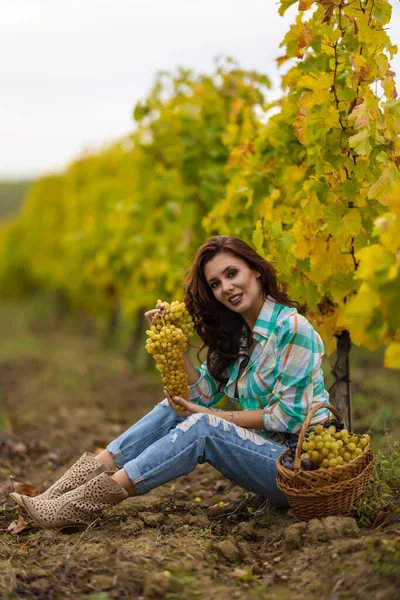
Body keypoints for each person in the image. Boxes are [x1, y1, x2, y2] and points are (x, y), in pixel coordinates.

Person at [10, 236, 329, 529]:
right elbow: (201, 394)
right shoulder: (241, 337)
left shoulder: (292, 328)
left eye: (233, 274)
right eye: (215, 283)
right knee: (175, 409)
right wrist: (174, 347)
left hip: (299, 466)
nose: (226, 288)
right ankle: (56, 496)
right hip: (263, 453)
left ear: (256, 271)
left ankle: (78, 507)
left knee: (203, 426)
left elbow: (286, 417)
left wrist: (213, 417)